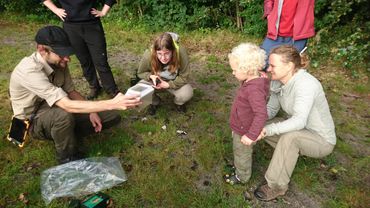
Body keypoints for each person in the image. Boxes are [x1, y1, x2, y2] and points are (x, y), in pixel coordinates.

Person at [9, 26, 141, 164]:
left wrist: (93, 111)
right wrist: (113, 103)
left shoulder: (59, 63)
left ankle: (65, 132)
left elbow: (71, 91)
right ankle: (67, 157)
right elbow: (67, 105)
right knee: (63, 116)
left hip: (55, 106)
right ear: (42, 50)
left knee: (111, 115)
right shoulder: (29, 70)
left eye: (68, 53)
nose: (67, 59)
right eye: (61, 54)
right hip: (33, 118)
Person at [253, 45, 336, 201]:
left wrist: (267, 131)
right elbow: (271, 109)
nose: (269, 69)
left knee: (290, 138)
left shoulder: (306, 85)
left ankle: (276, 186)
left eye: (273, 65)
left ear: (289, 66)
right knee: (265, 125)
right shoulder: (278, 81)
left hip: (321, 140)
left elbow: (299, 121)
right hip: (301, 128)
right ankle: (288, 154)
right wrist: (253, 122)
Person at [42, 0, 120, 99]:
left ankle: (112, 90)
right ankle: (94, 87)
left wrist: (103, 11)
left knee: (101, 61)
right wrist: (56, 10)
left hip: (92, 25)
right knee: (84, 61)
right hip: (70, 28)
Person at [224, 43, 269, 185]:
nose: (233, 73)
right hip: (241, 123)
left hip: (245, 129)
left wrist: (251, 135)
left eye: (235, 70)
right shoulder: (254, 79)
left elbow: (261, 114)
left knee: (241, 153)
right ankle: (239, 167)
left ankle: (241, 176)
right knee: (240, 152)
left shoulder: (254, 90)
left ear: (247, 69)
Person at [137, 32, 193, 115]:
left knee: (187, 93)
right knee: (139, 91)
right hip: (155, 82)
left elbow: (184, 76)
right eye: (159, 54)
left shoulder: (181, 52)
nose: (163, 58)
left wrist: (169, 85)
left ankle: (179, 103)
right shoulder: (149, 54)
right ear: (155, 52)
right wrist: (150, 76)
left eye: (167, 53)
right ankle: (155, 102)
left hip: (174, 81)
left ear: (172, 51)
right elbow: (140, 73)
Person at [261, 0, 315, 68]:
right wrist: (269, 13)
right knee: (262, 62)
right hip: (275, 33)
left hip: (298, 36)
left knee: (292, 67)